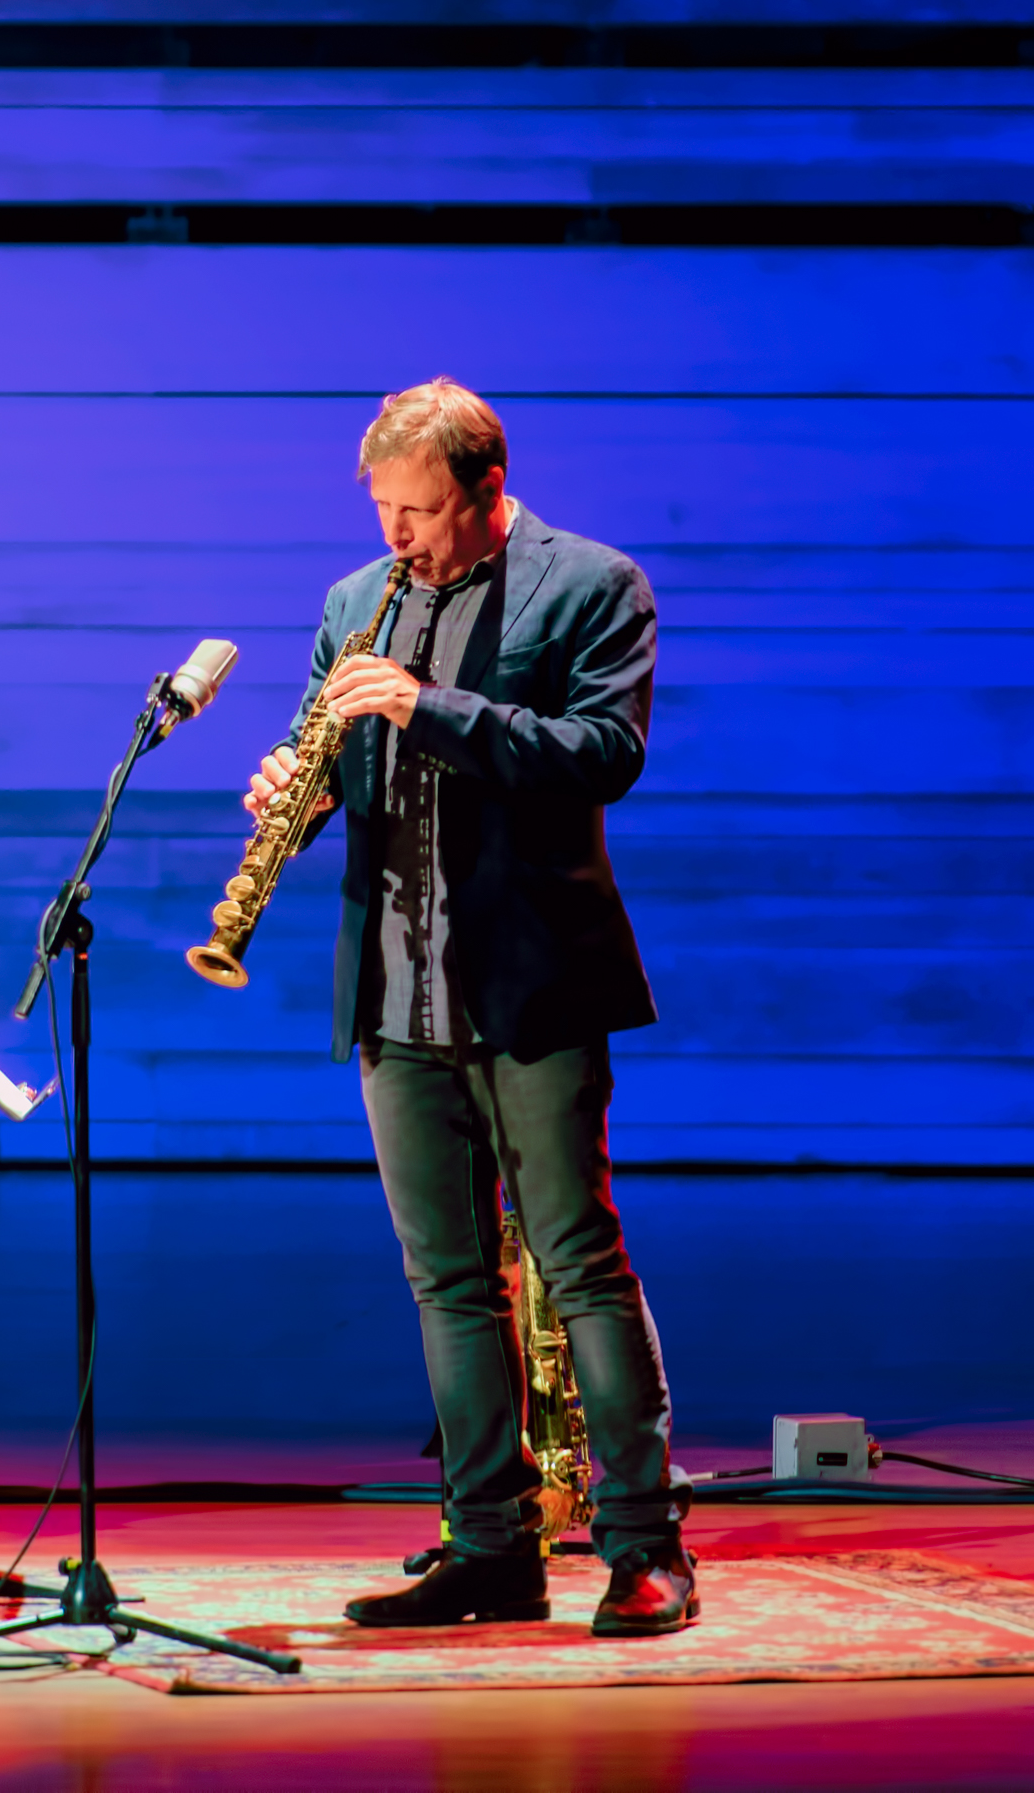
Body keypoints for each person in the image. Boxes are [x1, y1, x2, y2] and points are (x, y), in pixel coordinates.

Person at [243, 378, 695, 1638]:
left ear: (488, 493)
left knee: (578, 1263)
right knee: (447, 1280)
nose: (398, 537)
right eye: (384, 510)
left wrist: (429, 707)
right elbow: (344, 761)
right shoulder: (353, 604)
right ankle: (488, 1543)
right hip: (396, 982)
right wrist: (299, 779)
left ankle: (645, 1542)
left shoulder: (592, 583)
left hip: (534, 978)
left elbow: (605, 751)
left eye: (420, 512)